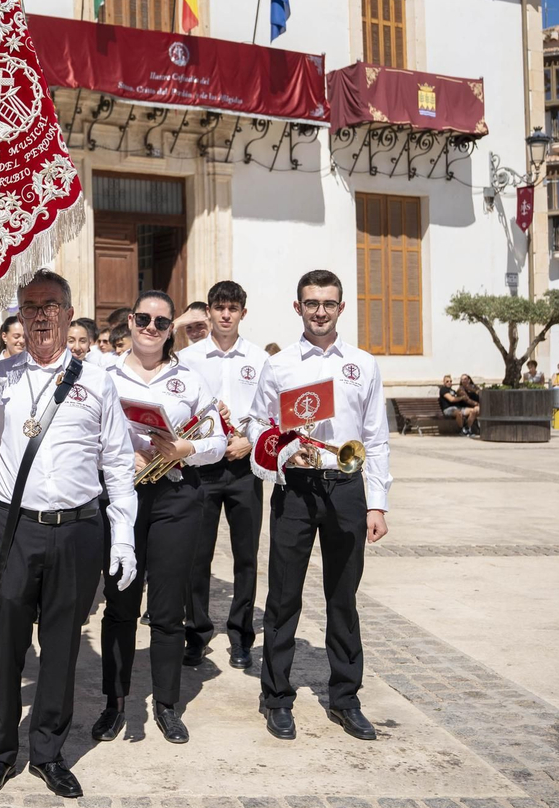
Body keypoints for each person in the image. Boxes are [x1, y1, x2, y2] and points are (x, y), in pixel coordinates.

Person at [0, 269, 137, 799]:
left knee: (61, 645)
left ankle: (48, 752)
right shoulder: (0, 376)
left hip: (79, 528)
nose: (40, 316)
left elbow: (117, 461)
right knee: (6, 643)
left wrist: (122, 534)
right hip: (16, 527)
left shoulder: (97, 380)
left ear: (68, 312)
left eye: (50, 305)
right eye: (30, 307)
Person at [253, 269, 390, 744]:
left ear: (341, 308)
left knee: (343, 597)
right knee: (283, 595)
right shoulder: (279, 365)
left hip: (346, 488)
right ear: (298, 307)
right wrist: (285, 452)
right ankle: (276, 697)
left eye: (328, 303)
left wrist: (378, 504)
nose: (320, 311)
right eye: (311, 303)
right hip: (295, 489)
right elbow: (258, 425)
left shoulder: (362, 364)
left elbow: (376, 437)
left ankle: (346, 698)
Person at [93, 289, 225, 746]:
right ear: (130, 322)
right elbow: (84, 432)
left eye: (162, 322)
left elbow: (218, 440)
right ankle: (114, 704)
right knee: (120, 603)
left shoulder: (189, 377)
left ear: (171, 330)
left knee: (169, 608)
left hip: (175, 496)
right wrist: (118, 454)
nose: (152, 328)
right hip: (121, 495)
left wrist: (187, 448)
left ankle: (166, 705)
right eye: (144, 319)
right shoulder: (102, 373)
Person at [179, 280, 265, 671]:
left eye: (233, 308)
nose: (226, 315)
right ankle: (196, 632)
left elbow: (271, 413)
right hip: (203, 468)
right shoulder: (188, 358)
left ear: (243, 313)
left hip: (245, 467)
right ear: (209, 312)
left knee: (246, 556)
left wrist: (250, 440)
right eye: (219, 308)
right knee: (197, 556)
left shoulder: (260, 358)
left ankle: (241, 635)